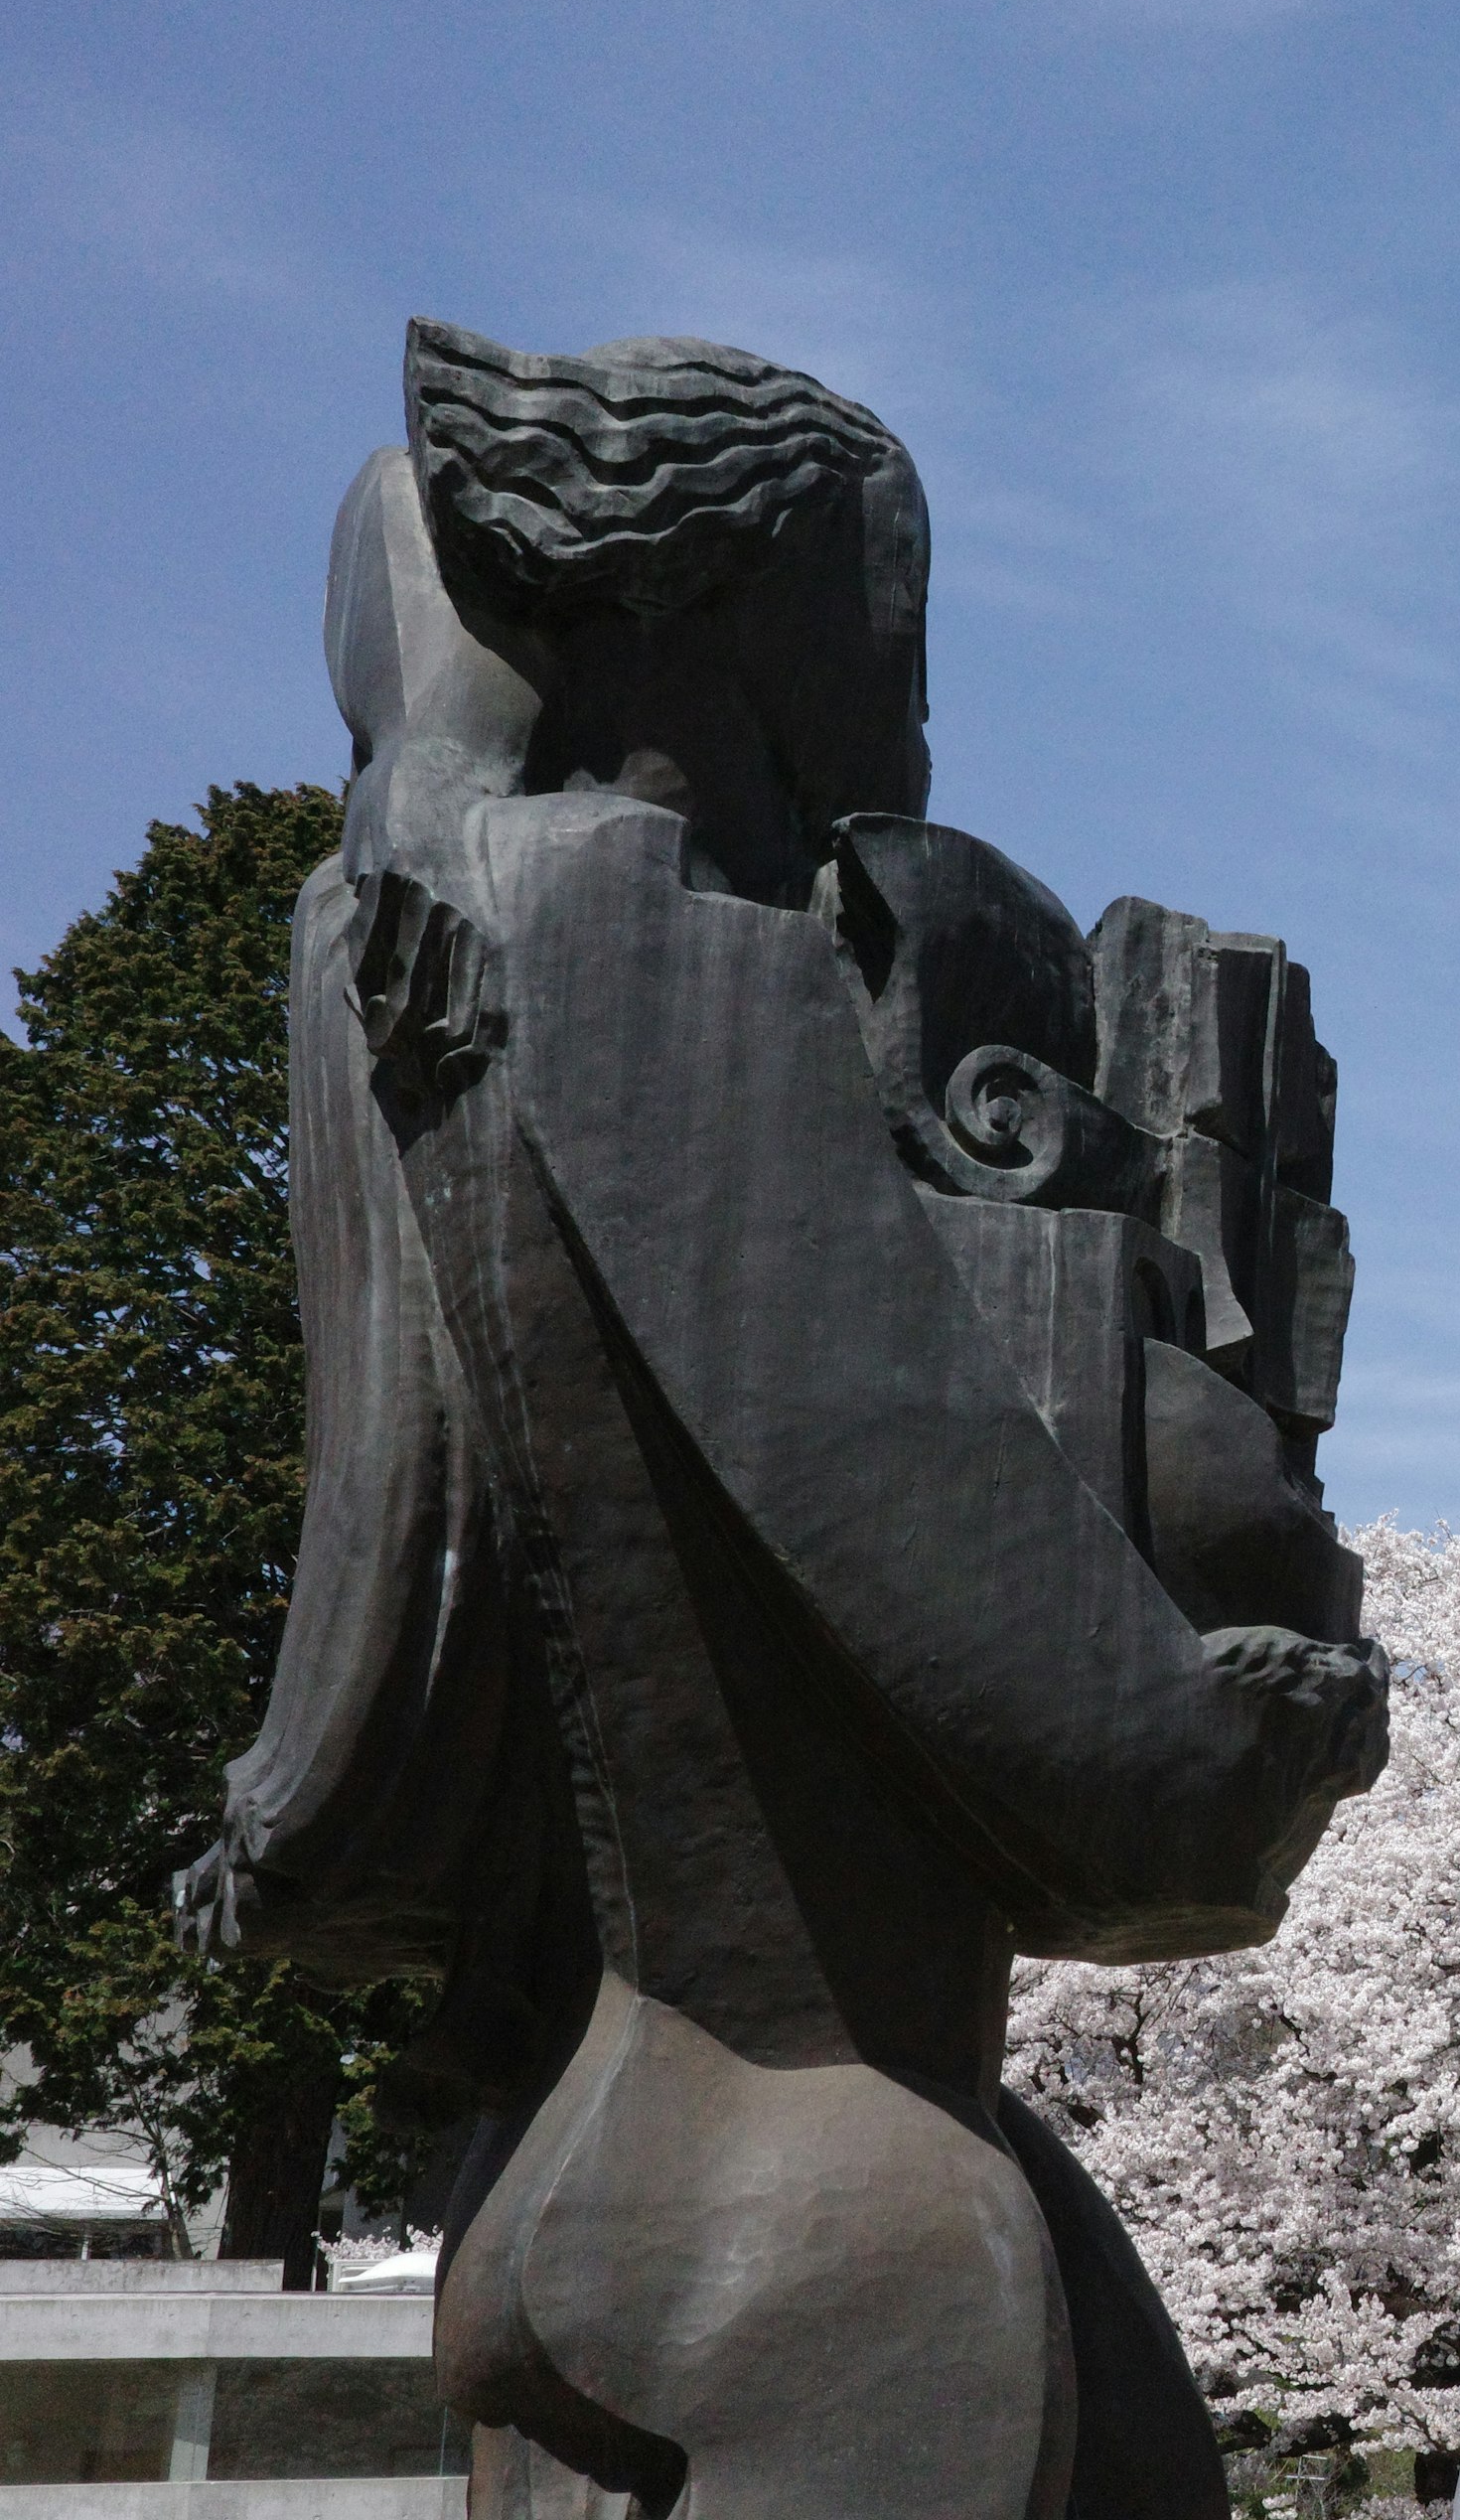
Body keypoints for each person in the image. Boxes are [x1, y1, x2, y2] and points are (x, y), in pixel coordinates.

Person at [182, 321, 1387, 2520]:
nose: (914, 688)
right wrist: (1250, 1730)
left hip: (591, 2124)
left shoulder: (411, 941)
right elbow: (972, 1608)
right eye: (882, 606)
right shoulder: (669, 962)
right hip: (821, 2179)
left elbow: (395, 562)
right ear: (721, 596)